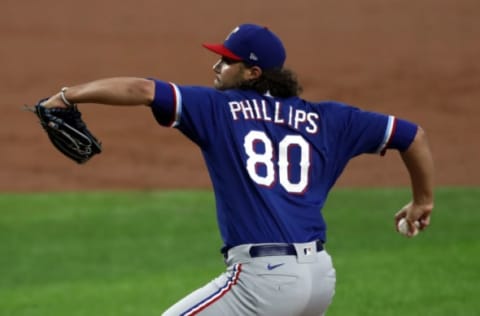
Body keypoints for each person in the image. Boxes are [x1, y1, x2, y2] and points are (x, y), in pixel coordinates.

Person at [40, 23, 434, 316]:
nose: (216, 66)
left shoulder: (220, 108)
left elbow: (143, 90)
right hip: (319, 279)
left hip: (266, 279)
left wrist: (66, 95)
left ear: (253, 73)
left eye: (227, 61)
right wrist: (422, 200)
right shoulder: (331, 119)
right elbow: (412, 136)